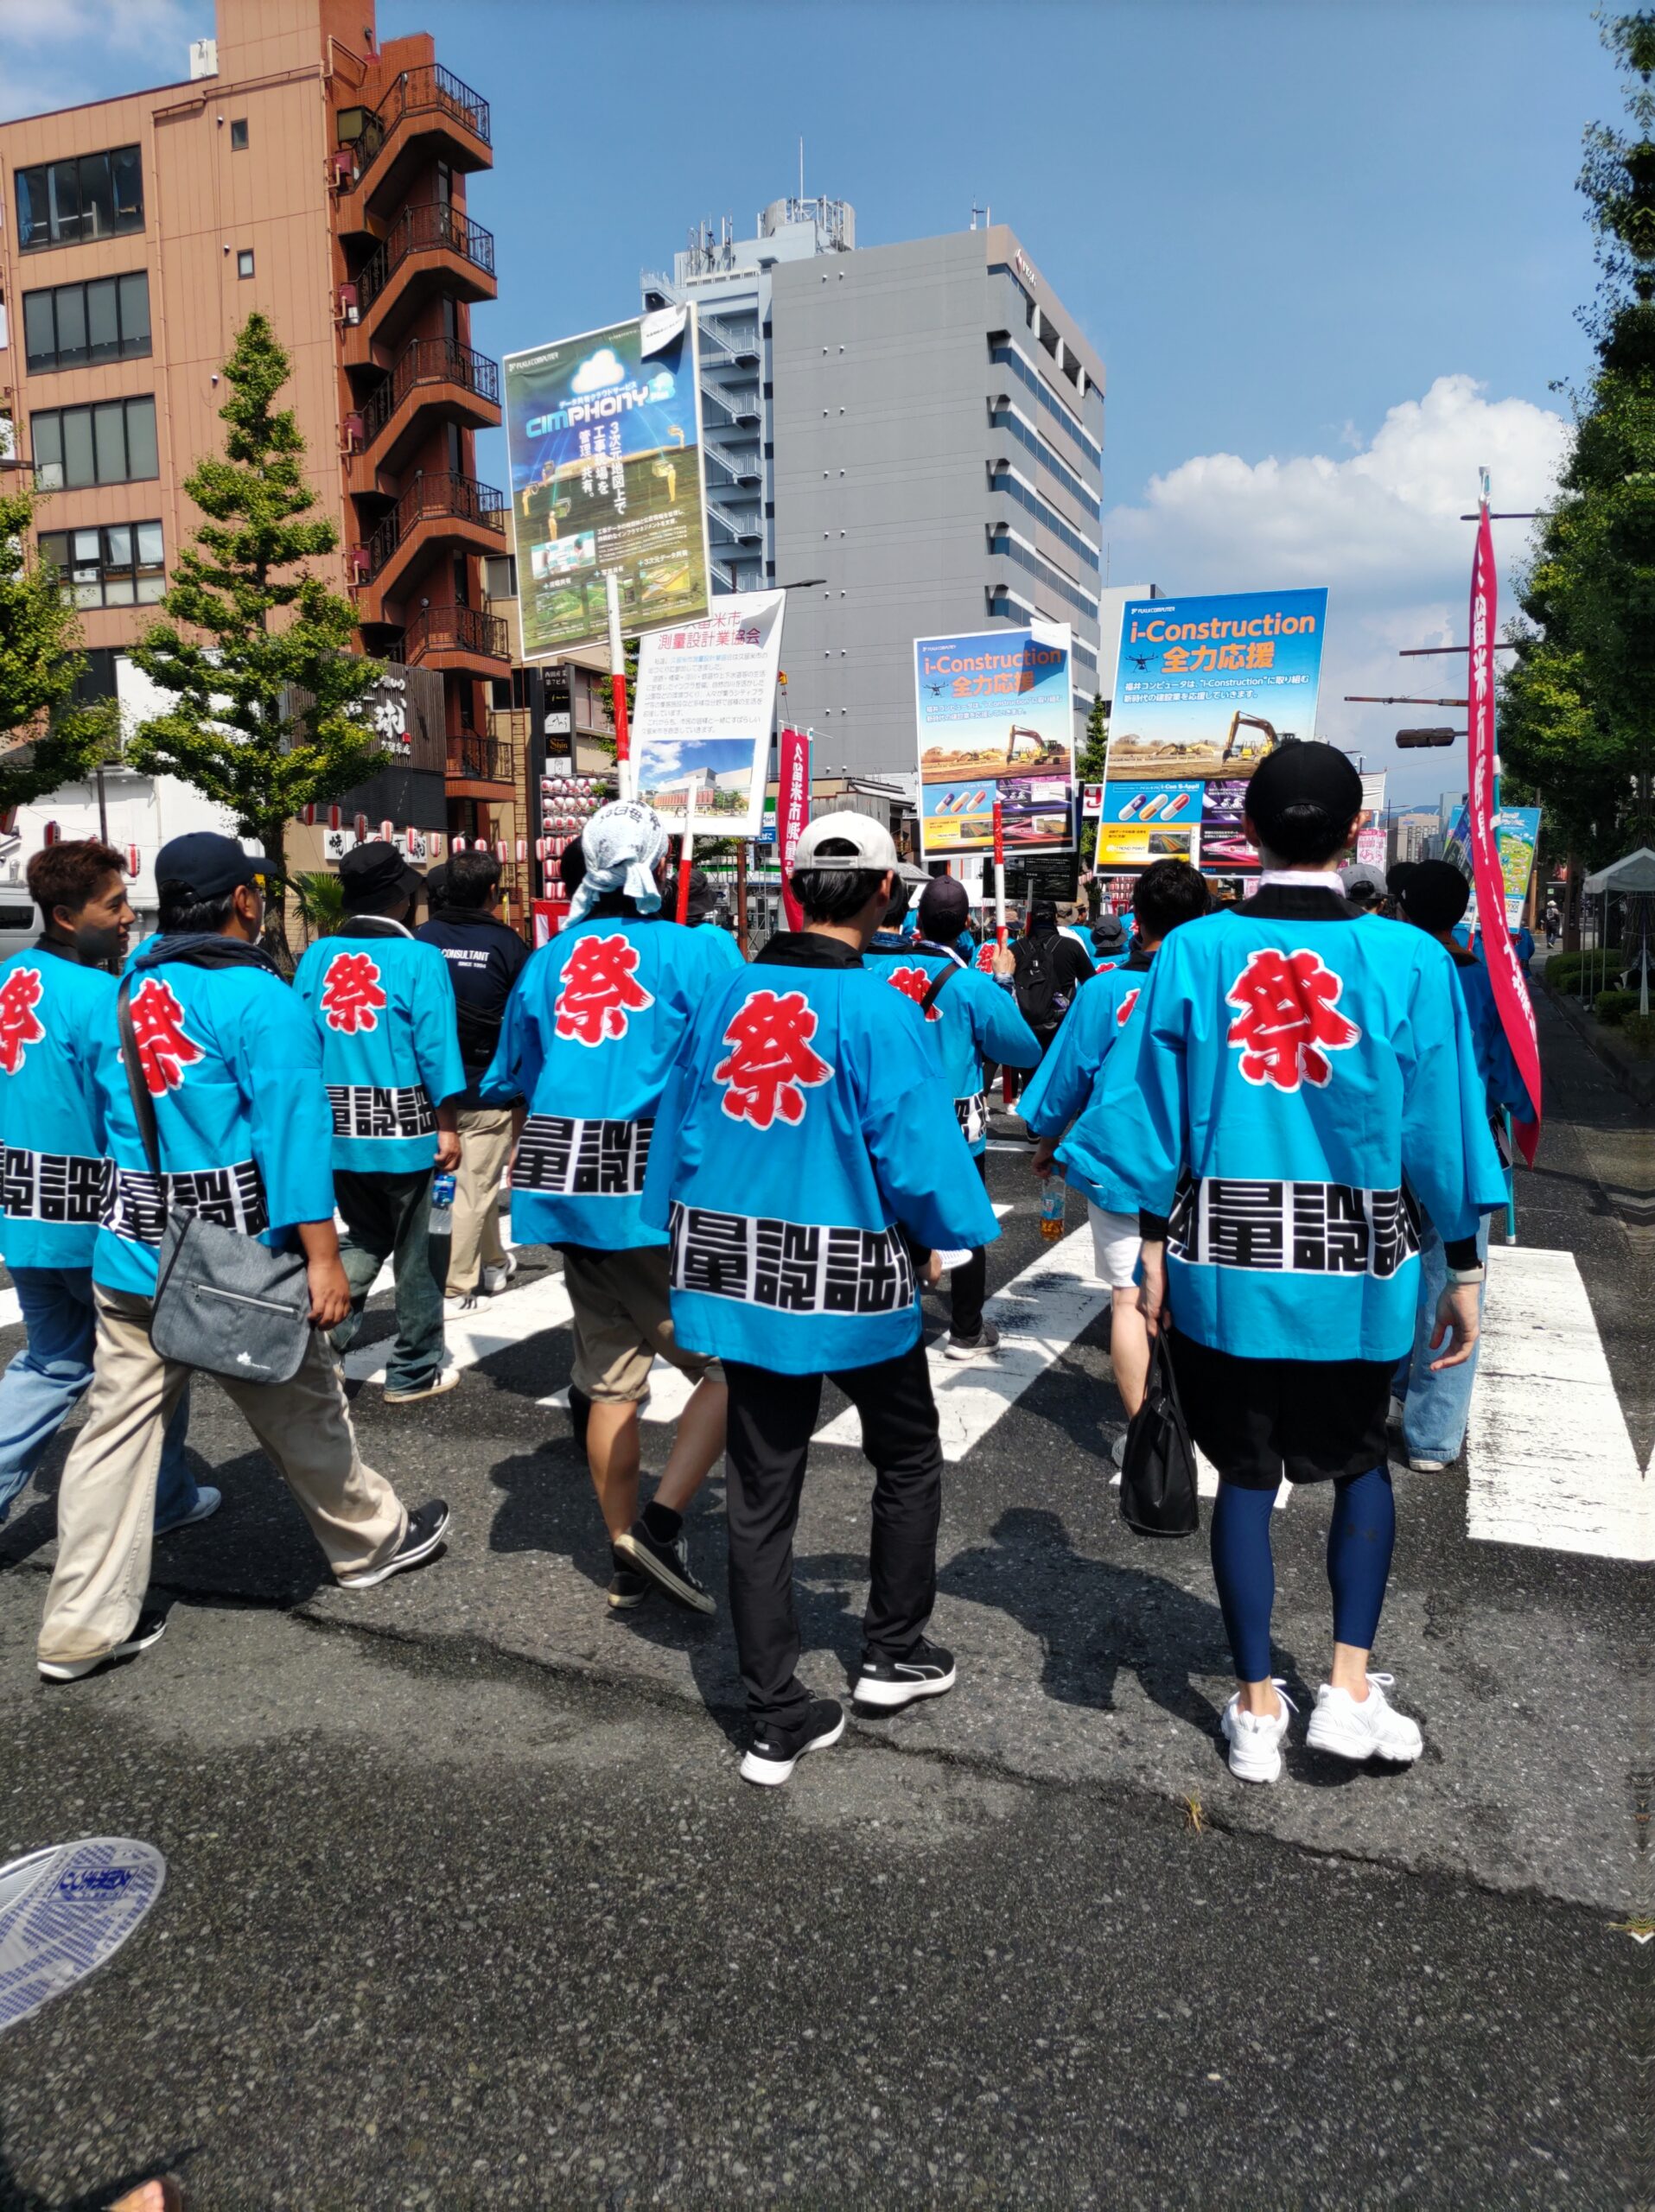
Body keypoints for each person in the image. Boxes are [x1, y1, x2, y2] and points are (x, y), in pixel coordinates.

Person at [1122, 747, 1505, 1784]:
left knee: (1242, 1477)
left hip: (1224, 1265)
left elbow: (1146, 1120)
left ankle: (1253, 1709)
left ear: (1247, 831)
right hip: (1360, 1271)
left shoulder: (1193, 951)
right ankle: (1343, 1687)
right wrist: (1462, 1265)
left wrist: (1148, 1248)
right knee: (1356, 1463)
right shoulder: (1412, 960)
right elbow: (1442, 1131)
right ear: (1352, 834)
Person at [36, 832, 449, 1684]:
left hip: (132, 1249)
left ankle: (77, 1629)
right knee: (304, 1407)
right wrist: (324, 1260)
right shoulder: (259, 998)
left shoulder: (133, 982)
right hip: (234, 1260)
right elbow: (294, 1136)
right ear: (244, 900)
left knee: (111, 1439)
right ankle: (371, 1544)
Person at [641, 813, 1000, 1785]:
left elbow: (678, 1122)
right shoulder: (883, 1006)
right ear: (885, 893)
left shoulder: (725, 991)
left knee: (762, 1487)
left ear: (795, 891)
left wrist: (669, 1230)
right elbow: (917, 1154)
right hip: (850, 1271)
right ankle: (890, 1650)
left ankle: (771, 1712)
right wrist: (952, 1234)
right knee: (907, 1452)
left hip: (740, 1265)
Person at [480, 801, 741, 1615]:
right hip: (653, 1189)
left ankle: (625, 1553)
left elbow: (510, 1075)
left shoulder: (550, 958)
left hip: (563, 1182)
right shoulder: (702, 952)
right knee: (743, 1370)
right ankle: (659, 1526)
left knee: (610, 1380)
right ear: (656, 865)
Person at [0, 842, 207, 1540]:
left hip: (21, 1209)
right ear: (64, 916)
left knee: (53, 1362)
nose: (129, 919)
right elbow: (135, 1119)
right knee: (154, 1360)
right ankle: (163, 1498)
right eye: (113, 906)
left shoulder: (8, 978)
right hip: (96, 1221)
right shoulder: (104, 997)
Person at [1019, 858, 1210, 1450]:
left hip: (1125, 1160)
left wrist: (1048, 1144)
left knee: (1128, 1298)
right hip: (1206, 1165)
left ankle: (1143, 1435)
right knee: (1201, 1298)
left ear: (1136, 918)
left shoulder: (1105, 990)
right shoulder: (1215, 984)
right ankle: (1205, 1421)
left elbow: (1066, 1078)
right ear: (1201, 916)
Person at [294, 841, 466, 1404]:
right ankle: (413, 1368)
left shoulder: (317, 955)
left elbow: (298, 1042)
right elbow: (435, 1046)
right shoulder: (419, 959)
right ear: (401, 897)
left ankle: (323, 1345)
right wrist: (448, 1124)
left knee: (365, 1235)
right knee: (420, 1250)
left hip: (336, 1127)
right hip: (407, 1131)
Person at [1392, 861, 1534, 1471]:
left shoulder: (1389, 967)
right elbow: (1509, 1064)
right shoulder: (1488, 979)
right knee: (1453, 1277)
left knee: (1379, 1268)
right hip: (1465, 1138)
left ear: (1400, 906)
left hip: (1388, 1145)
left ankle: (1384, 1390)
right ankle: (1432, 1432)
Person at [866, 873, 1040, 1359]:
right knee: (963, 1219)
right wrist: (1002, 983)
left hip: (891, 1115)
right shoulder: (970, 983)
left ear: (916, 921)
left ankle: (893, 1313)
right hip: (957, 1120)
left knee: (889, 1213)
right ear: (966, 924)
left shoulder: (872, 972)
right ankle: (966, 1330)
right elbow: (1022, 1049)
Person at [414, 846, 532, 1310]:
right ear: (492, 892)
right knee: (471, 1190)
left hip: (425, 1090)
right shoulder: (509, 946)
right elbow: (523, 1026)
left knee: (471, 1186)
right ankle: (453, 1286)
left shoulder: (421, 939)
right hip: (486, 1090)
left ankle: (493, 1261)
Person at [1010, 895, 1092, 1060]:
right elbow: (1091, 985)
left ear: (1030, 917)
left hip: (1025, 1031)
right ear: (1055, 917)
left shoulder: (1014, 949)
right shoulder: (1071, 947)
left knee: (1029, 1081)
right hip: (1063, 1029)